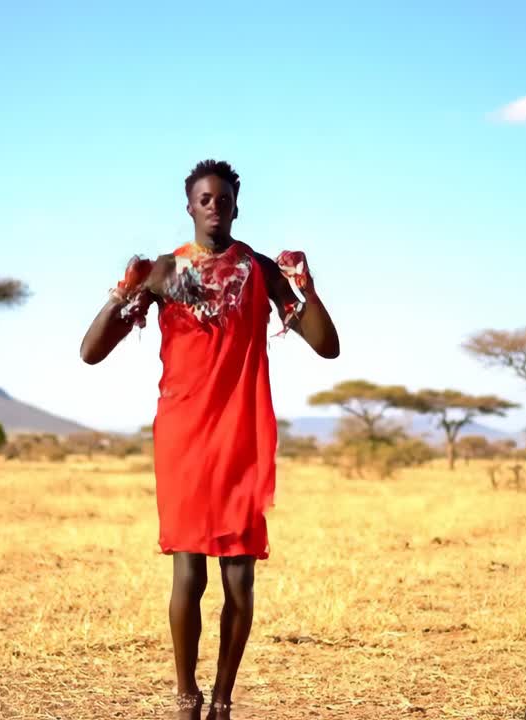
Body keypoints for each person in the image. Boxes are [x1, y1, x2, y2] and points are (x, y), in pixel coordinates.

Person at [80, 159, 339, 719]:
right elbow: (90, 352)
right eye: (205, 199)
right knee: (189, 571)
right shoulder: (165, 273)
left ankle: (222, 700)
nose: (214, 206)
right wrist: (121, 293)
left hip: (241, 433)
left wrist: (306, 291)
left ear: (236, 206)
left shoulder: (259, 269)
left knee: (240, 578)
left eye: (224, 199)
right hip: (185, 434)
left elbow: (328, 346)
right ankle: (186, 697)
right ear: (190, 207)